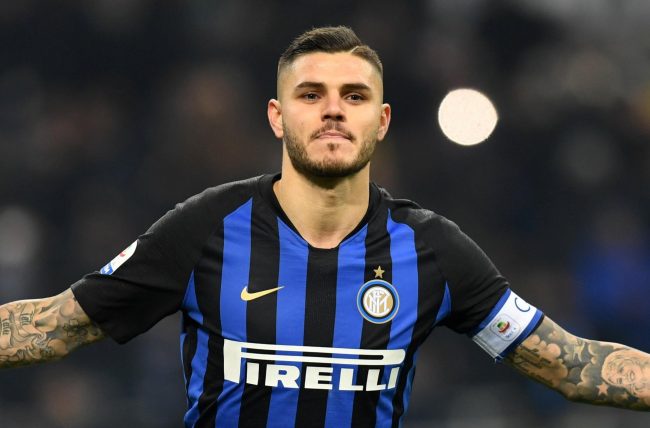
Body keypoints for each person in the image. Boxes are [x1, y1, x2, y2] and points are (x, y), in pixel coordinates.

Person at [0, 26, 648, 427]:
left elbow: (572, 365)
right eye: (311, 95)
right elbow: (57, 325)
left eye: (354, 97)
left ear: (382, 121)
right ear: (277, 116)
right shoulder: (206, 228)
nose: (333, 111)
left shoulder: (433, 250)